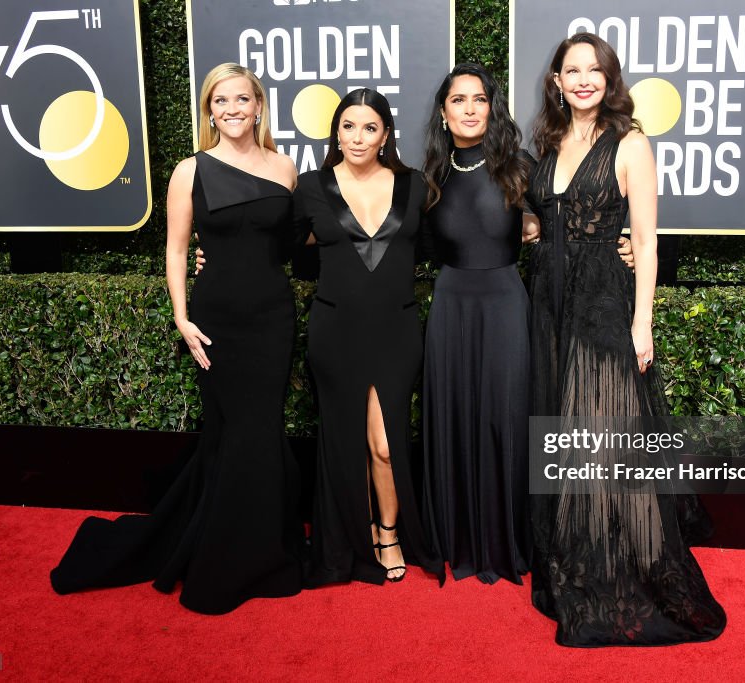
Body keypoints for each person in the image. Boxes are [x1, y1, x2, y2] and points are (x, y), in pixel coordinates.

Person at [51, 64, 304, 614]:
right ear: (209, 109)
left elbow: (290, 245)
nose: (233, 108)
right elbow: (176, 250)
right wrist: (182, 318)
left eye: (243, 98)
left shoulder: (286, 168)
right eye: (221, 100)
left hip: (273, 317)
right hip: (216, 318)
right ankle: (227, 555)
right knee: (234, 432)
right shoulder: (190, 171)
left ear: (259, 106)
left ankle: (260, 549)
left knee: (258, 431)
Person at [525, 34, 727, 646]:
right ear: (556, 80)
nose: (583, 79)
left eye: (595, 70)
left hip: (603, 302)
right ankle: (573, 561)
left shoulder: (630, 142)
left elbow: (645, 242)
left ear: (609, 80)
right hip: (548, 301)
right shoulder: (549, 140)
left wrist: (643, 323)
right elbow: (545, 210)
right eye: (572, 70)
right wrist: (535, 225)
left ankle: (623, 569)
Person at [421, 64, 634, 586]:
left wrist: (623, 245)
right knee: (454, 415)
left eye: (479, 99)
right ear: (443, 113)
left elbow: (577, 218)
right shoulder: (426, 176)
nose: (469, 108)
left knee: (508, 417)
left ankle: (511, 538)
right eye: (458, 100)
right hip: (450, 306)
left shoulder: (522, 167)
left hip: (506, 304)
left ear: (492, 108)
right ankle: (456, 535)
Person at [295, 89, 443, 585]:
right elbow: (287, 250)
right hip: (334, 330)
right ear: (336, 132)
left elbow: (432, 248)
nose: (358, 138)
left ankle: (389, 532)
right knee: (341, 441)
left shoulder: (415, 185)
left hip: (396, 330)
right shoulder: (311, 187)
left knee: (383, 444)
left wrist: (529, 223)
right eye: (348, 127)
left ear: (385, 135)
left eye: (369, 128)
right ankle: (347, 540)